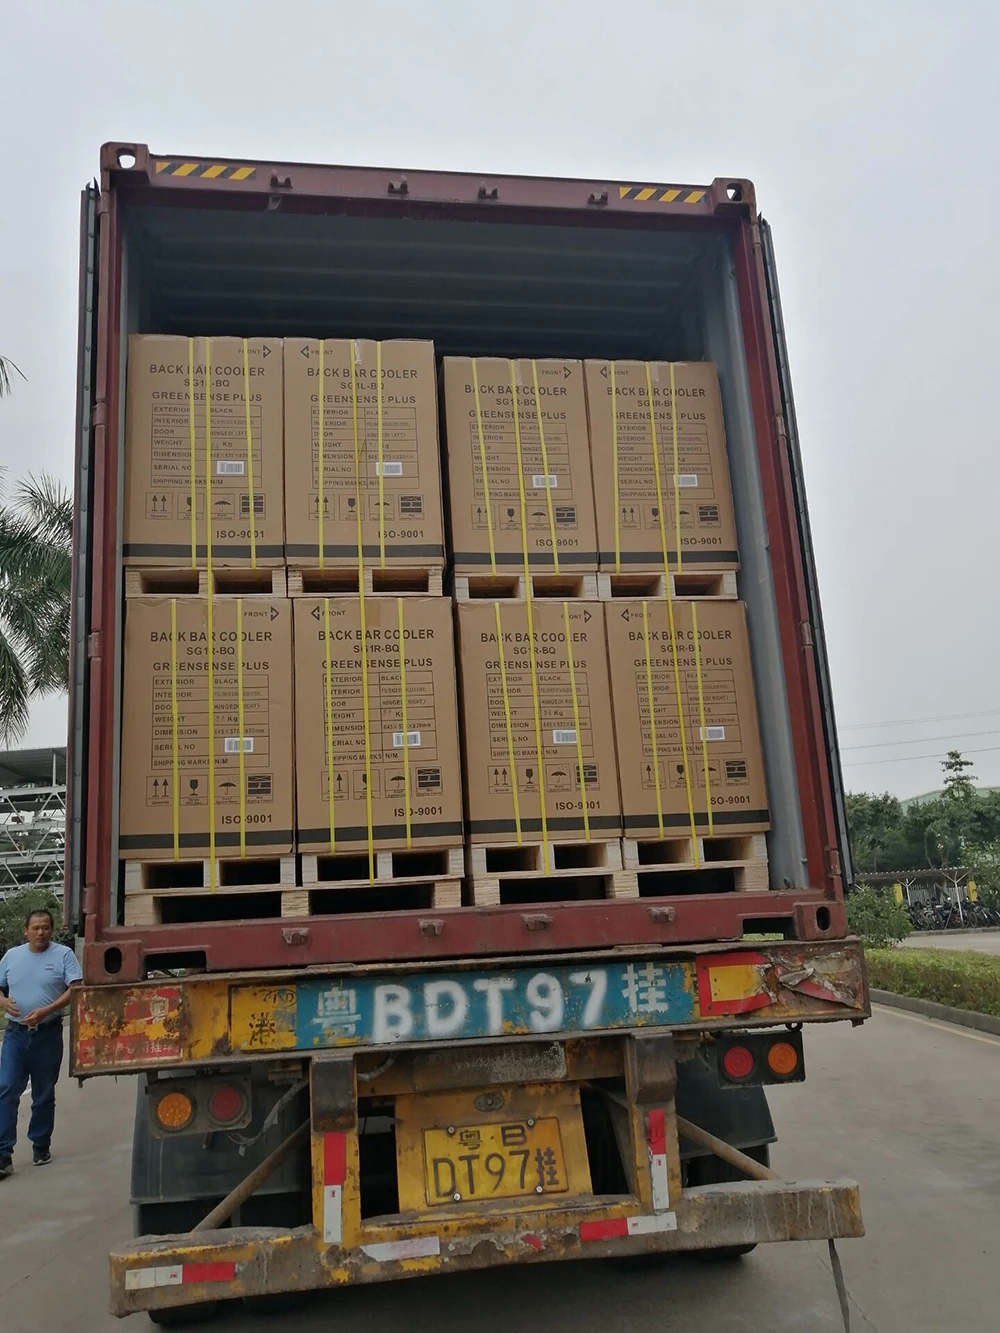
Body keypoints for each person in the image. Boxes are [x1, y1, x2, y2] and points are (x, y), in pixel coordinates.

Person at [0, 908, 82, 1177]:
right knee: (6, 1088)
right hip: (15, 1035)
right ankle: (3, 1153)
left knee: (43, 1092)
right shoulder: (12, 956)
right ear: (26, 931)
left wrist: (47, 1010)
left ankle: (40, 1144)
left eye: (45, 927)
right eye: (35, 928)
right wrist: (3, 1001)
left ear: (52, 930)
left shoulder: (63, 955)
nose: (40, 932)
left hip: (47, 1034)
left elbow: (75, 987)